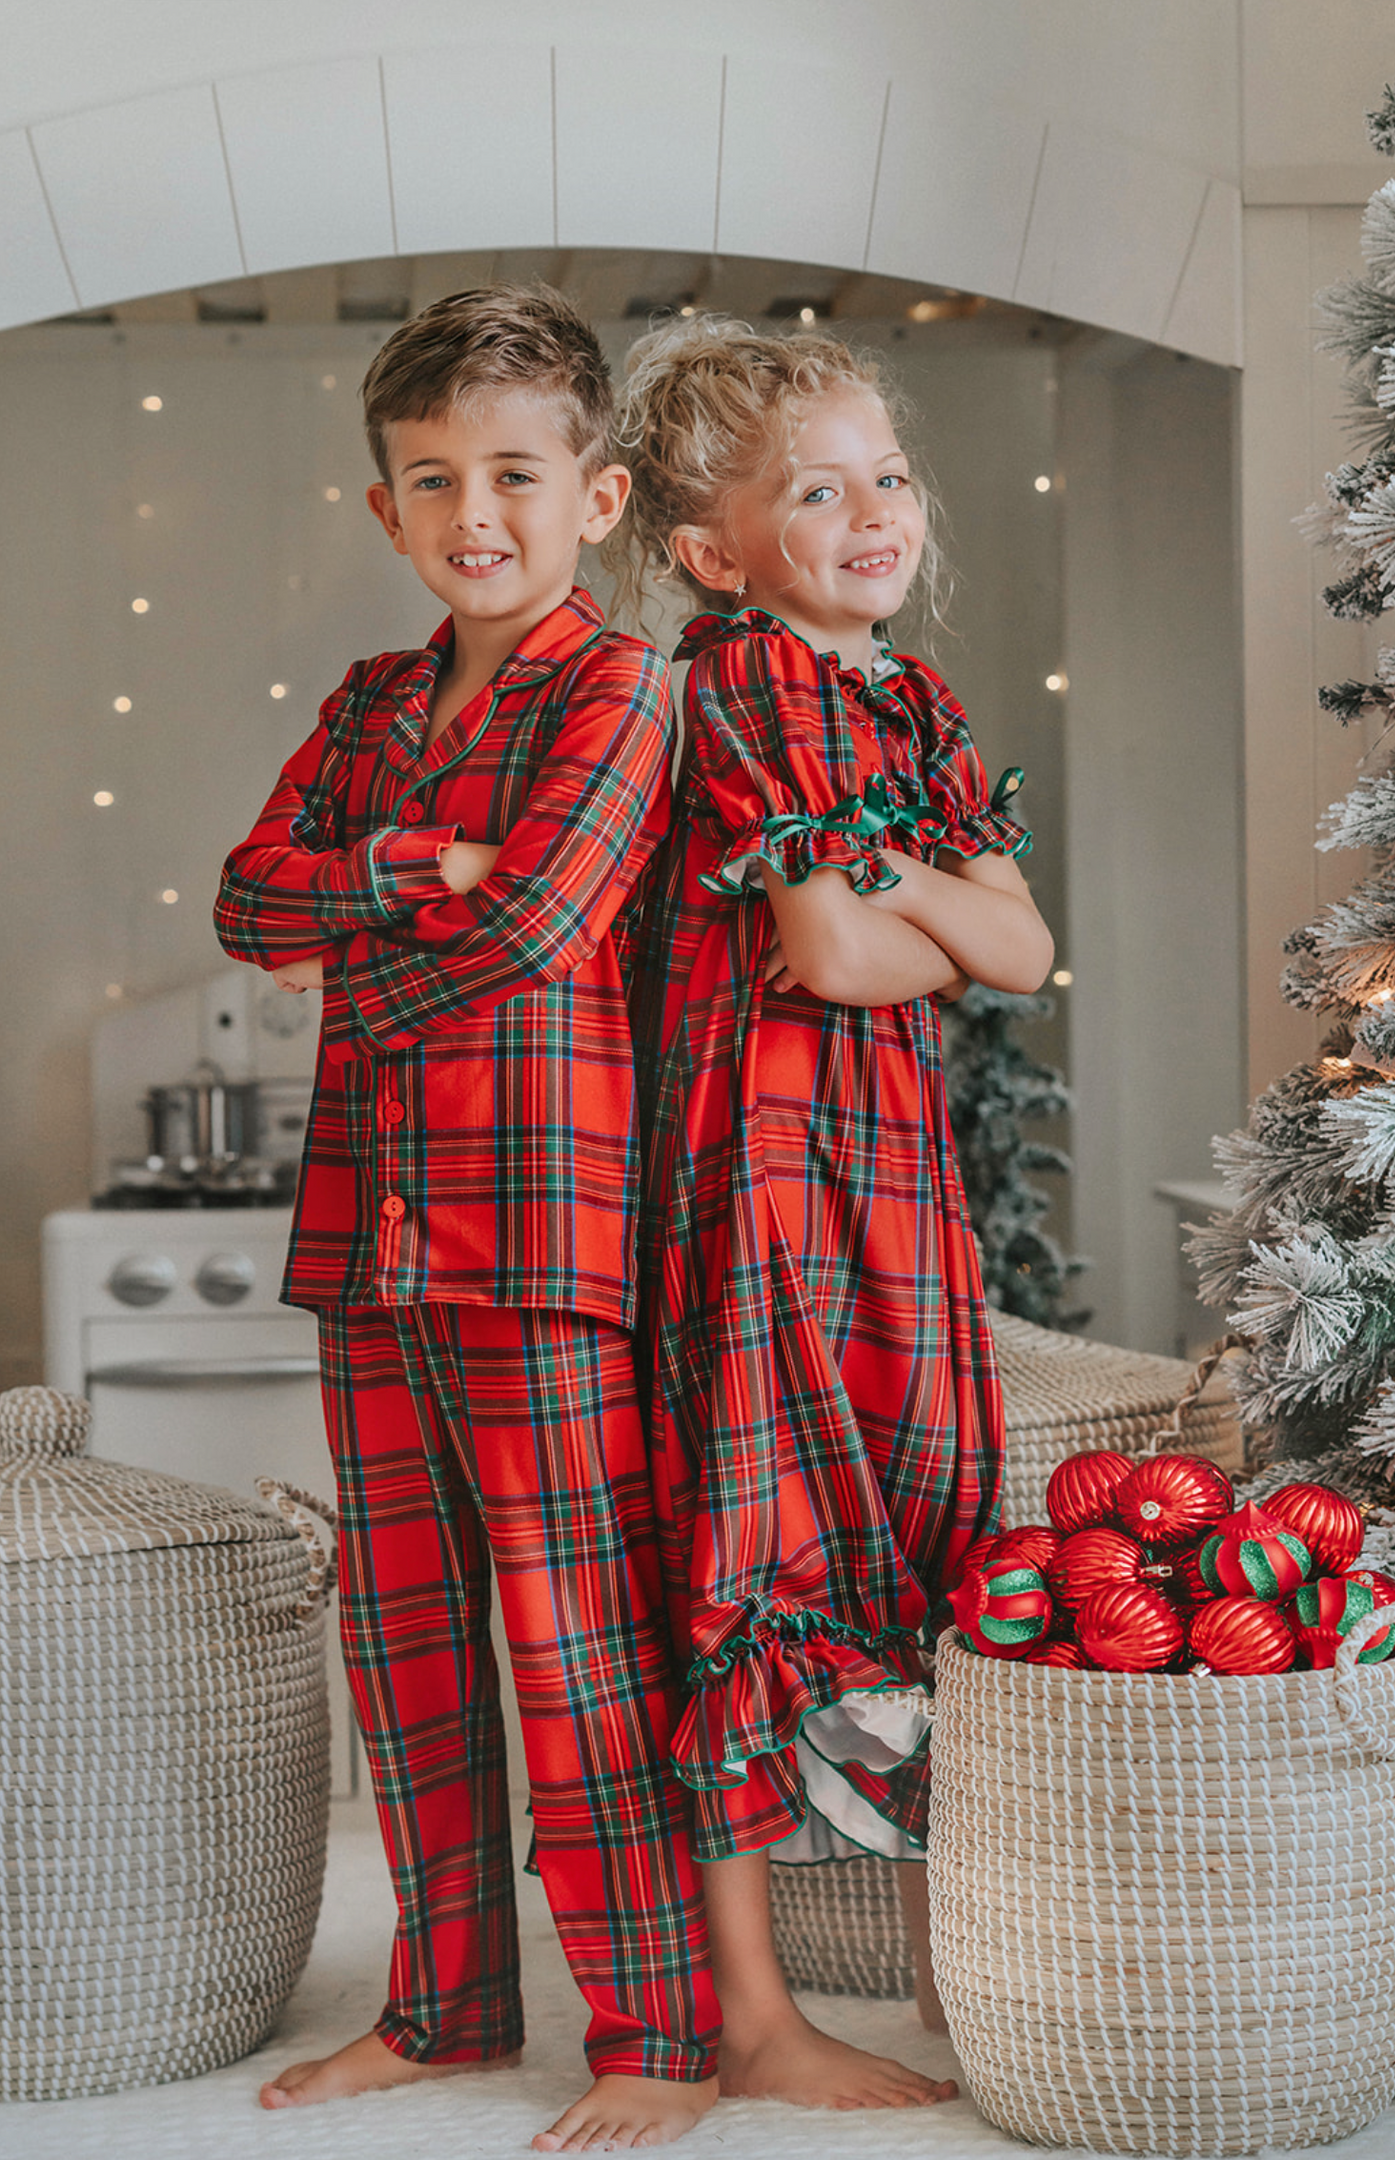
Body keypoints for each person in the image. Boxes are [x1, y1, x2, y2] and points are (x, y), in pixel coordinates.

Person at [214, 286, 720, 2155]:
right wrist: (414, 863)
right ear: (386, 511)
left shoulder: (627, 688)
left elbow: (541, 931)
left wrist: (371, 934)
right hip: (369, 1244)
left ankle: (655, 2030)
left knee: (575, 1641)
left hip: (542, 1251)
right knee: (408, 1650)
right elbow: (245, 902)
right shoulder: (368, 708)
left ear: (596, 495)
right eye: (433, 479)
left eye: (513, 471)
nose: (472, 509)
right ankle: (441, 2009)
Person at [612, 318, 1054, 2112]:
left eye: (887, 475)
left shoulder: (915, 705)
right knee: (761, 1525)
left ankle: (960, 1965)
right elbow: (837, 952)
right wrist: (920, 890)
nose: (872, 510)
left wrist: (904, 886)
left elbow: (1014, 956)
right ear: (714, 552)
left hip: (895, 1168)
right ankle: (756, 2015)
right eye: (817, 489)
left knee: (929, 1504)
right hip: (765, 1162)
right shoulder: (744, 686)